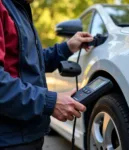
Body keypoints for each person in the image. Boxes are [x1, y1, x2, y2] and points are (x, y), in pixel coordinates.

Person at [0, 0, 93, 149]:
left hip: (30, 134)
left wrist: (67, 47)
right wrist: (49, 102)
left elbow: (28, 62)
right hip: (9, 139)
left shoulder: (20, 9)